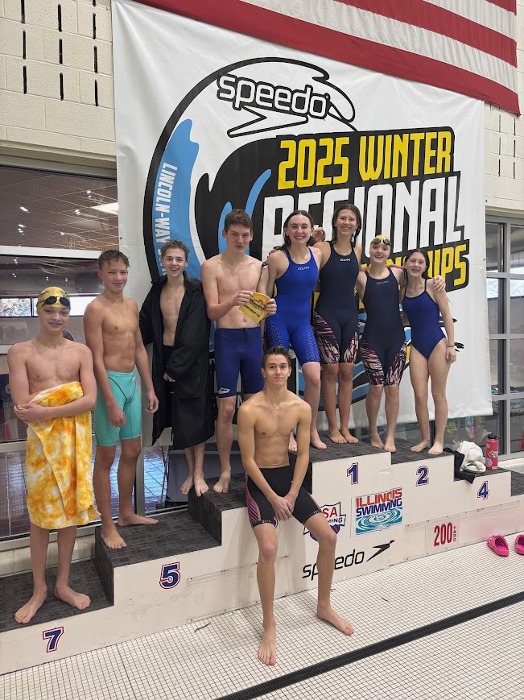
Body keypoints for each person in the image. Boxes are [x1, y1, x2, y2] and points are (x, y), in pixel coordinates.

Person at [238, 346, 354, 666]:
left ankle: (324, 605)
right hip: (260, 484)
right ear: (263, 372)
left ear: (291, 371)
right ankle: (269, 624)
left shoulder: (301, 407)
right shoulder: (249, 409)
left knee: (329, 536)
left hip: (288, 482)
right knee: (269, 549)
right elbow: (247, 461)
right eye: (272, 367)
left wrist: (290, 495)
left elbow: (303, 455)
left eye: (282, 367)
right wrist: (274, 498)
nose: (278, 372)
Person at [8, 287, 98, 624]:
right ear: (39, 311)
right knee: (40, 518)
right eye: (50, 311)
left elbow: (90, 400)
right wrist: (66, 402)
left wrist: (45, 409)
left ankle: (62, 584)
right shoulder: (20, 352)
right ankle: (39, 589)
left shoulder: (81, 352)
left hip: (74, 445)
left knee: (70, 513)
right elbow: (23, 407)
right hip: (42, 449)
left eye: (62, 312)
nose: (57, 318)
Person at [84, 250, 159, 549]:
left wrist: (149, 388)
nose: (119, 278)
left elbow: (139, 348)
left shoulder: (131, 305)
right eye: (112, 272)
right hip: (110, 385)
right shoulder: (95, 309)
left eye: (123, 272)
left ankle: (126, 514)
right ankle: (107, 525)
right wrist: (110, 402)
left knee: (132, 450)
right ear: (101, 274)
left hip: (131, 383)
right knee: (105, 457)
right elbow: (96, 359)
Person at [201, 209, 276, 494]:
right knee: (227, 409)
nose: (240, 240)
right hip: (227, 339)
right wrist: (232, 300)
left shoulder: (258, 266)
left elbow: (261, 308)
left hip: (253, 339)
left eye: (245, 235)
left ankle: (255, 467)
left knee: (255, 407)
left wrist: (269, 309)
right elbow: (211, 312)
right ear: (224, 234)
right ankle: (225, 470)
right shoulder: (211, 266)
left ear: (252, 236)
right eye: (234, 234)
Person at [140, 240, 215, 497]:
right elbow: (144, 323)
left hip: (191, 361)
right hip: (166, 357)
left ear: (186, 262)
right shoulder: (157, 289)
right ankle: (191, 472)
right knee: (180, 420)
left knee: (196, 417)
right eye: (169, 259)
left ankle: (199, 473)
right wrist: (126, 343)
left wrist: (175, 368)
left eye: (178, 259)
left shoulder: (195, 290)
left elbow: (197, 333)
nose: (174, 263)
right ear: (162, 261)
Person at [265, 210, 326, 450]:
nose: (299, 231)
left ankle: (309, 429)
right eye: (294, 226)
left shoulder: (317, 254)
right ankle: (286, 432)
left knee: (314, 376)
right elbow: (264, 294)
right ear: (286, 231)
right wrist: (260, 327)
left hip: (302, 324)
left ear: (311, 230)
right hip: (278, 320)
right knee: (280, 378)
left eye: (304, 226)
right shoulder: (277, 258)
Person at [313, 203, 362, 444]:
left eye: (351, 219)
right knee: (330, 370)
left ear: (357, 225)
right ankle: (332, 428)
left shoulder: (358, 250)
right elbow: (307, 274)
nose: (346, 223)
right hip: (327, 315)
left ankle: (345, 427)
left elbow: (358, 278)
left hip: (350, 316)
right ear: (335, 222)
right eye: (342, 218)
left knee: (347, 371)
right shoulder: (323, 248)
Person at [402, 249, 456, 454]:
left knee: (438, 394)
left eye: (420, 262)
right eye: (412, 261)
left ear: (425, 267)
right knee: (419, 395)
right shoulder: (403, 290)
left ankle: (439, 440)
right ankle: (425, 438)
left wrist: (451, 345)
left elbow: (447, 315)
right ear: (406, 264)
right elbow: (408, 317)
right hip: (417, 346)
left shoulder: (434, 285)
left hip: (437, 344)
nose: (416, 265)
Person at [356, 235, 406, 453]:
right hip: (371, 340)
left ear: (389, 252)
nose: (379, 251)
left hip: (396, 340)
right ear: (369, 250)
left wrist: (438, 279)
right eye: (375, 247)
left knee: (393, 388)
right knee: (376, 387)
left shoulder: (397, 273)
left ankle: (391, 435)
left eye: (384, 248)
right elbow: (336, 274)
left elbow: (419, 278)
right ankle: (373, 431)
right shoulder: (361, 276)